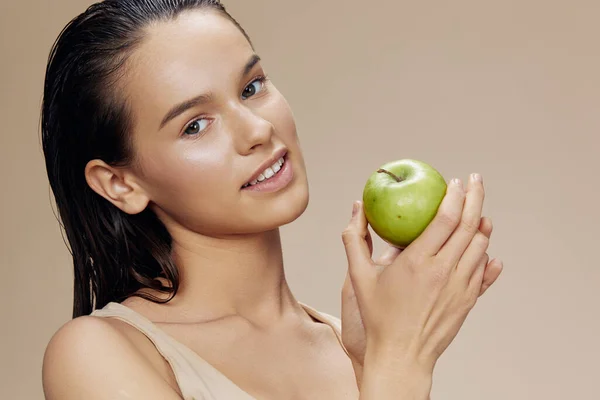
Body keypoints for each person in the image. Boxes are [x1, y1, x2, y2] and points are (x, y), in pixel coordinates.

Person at [40, 1, 504, 399]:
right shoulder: (96, 354)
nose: (258, 129)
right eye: (195, 125)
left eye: (251, 88)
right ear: (120, 184)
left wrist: (372, 361)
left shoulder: (354, 347)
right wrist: (402, 359)